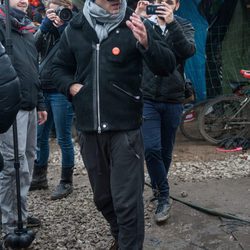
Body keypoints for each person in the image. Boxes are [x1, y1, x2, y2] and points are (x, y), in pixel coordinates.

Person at [51, 0, 176, 248]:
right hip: (89, 130)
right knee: (103, 199)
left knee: (127, 202)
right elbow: (53, 68)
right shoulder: (75, 28)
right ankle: (120, 236)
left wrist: (148, 44)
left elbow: (167, 66)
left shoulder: (134, 23)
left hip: (126, 130)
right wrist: (71, 87)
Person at [135, 0, 195, 223]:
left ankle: (159, 187)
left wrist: (171, 24)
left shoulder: (183, 25)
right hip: (148, 96)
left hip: (173, 97)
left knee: (166, 151)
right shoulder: (144, 24)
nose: (163, 5)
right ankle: (163, 196)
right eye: (159, 1)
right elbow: (128, 48)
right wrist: (137, 16)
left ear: (177, 6)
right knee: (151, 148)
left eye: (168, 2)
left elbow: (188, 50)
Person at [0, 0, 47, 245]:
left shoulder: (27, 28)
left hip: (29, 106)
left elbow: (33, 69)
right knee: (13, 164)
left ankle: (22, 212)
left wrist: (39, 102)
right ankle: (10, 222)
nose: (24, 0)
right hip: (10, 108)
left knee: (27, 159)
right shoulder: (2, 25)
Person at [30, 0, 75, 200]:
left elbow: (73, 50)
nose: (56, 14)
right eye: (51, 10)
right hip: (43, 90)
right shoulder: (44, 29)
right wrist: (45, 26)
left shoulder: (73, 28)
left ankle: (66, 181)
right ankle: (40, 177)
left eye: (60, 10)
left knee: (64, 137)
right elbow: (31, 48)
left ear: (68, 10)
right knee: (41, 136)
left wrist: (63, 26)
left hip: (61, 91)